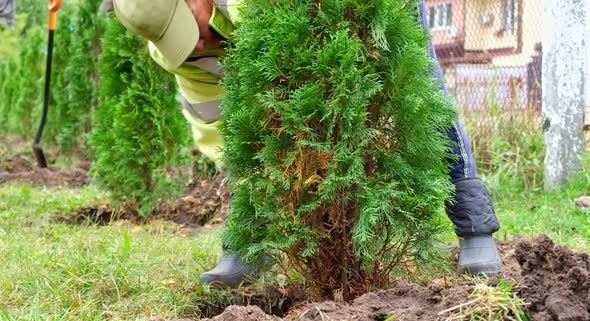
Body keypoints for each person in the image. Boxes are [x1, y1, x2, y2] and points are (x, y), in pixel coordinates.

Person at [110, 0, 502, 287]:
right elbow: (220, 130)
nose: (193, 45)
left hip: (367, 10)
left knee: (421, 95)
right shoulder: (181, 55)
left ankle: (475, 228)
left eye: (185, 26)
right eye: (172, 39)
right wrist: (252, 212)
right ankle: (247, 245)